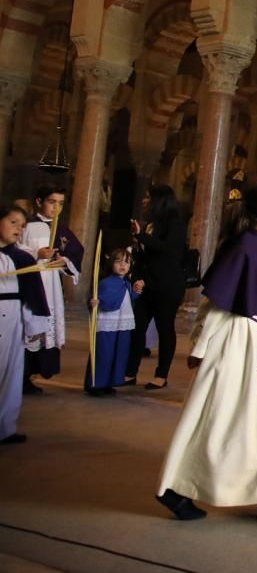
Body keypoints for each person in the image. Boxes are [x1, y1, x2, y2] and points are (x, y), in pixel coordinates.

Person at [156, 178, 257, 524]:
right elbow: (216, 303)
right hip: (235, 342)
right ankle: (173, 488)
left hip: (253, 339)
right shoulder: (248, 247)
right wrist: (202, 347)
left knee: (256, 421)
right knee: (216, 417)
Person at [18, 184, 82, 393]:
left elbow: (76, 253)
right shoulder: (26, 225)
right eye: (52, 202)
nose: (56, 208)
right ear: (39, 202)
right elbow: (13, 249)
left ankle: (32, 374)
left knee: (45, 331)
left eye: (61, 204)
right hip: (29, 284)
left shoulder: (62, 230)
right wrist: (37, 252)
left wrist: (62, 259)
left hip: (51, 286)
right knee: (26, 329)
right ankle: (20, 376)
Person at [125, 185, 188, 390]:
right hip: (149, 282)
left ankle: (161, 375)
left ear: (159, 200)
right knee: (137, 328)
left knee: (164, 328)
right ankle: (130, 372)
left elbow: (169, 250)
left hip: (168, 284)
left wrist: (141, 236)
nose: (144, 201)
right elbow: (144, 256)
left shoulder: (175, 222)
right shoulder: (152, 223)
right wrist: (138, 277)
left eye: (147, 197)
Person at [0, 203, 51, 445]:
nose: (18, 229)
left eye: (22, 226)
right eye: (12, 223)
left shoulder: (21, 258)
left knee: (12, 372)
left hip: (13, 317)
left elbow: (32, 294)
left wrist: (32, 325)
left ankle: (5, 427)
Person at [85, 248, 143, 395]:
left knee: (118, 353)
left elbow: (126, 300)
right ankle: (96, 384)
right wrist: (94, 302)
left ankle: (109, 382)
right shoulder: (105, 283)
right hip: (107, 323)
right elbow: (98, 299)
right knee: (104, 353)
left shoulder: (126, 282)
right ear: (111, 263)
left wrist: (135, 292)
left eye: (127, 262)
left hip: (122, 323)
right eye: (118, 261)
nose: (123, 265)